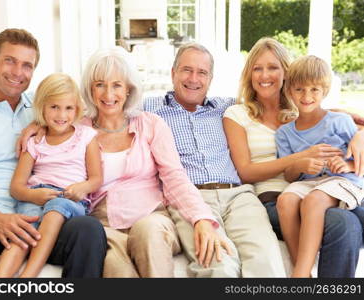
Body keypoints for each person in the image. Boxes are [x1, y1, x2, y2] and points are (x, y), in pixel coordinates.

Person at [0, 28, 107, 278]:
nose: (18, 73)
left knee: (89, 228)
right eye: (10, 61)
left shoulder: (42, 104)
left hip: (40, 222)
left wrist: (37, 122)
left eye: (27, 65)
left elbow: (77, 111)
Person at [80, 47, 230, 277]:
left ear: (129, 88)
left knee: (149, 232)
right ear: (90, 89)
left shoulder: (150, 124)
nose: (108, 94)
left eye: (117, 85)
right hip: (105, 225)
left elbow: (174, 177)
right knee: (118, 270)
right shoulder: (79, 130)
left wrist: (201, 218)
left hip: (152, 216)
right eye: (100, 84)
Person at [223, 37, 364, 277]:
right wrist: (301, 157)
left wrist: (361, 135)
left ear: (287, 75)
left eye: (273, 67)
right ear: (249, 74)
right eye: (257, 68)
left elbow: (340, 121)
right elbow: (245, 171)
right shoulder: (237, 113)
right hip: (274, 197)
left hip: (321, 186)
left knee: (351, 216)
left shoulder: (299, 111)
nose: (265, 75)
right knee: (344, 223)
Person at [144, 42, 286, 277]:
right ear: (173, 73)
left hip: (239, 196)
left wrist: (350, 119)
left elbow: (306, 109)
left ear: (211, 78)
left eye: (202, 72)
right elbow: (100, 111)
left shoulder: (227, 107)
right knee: (220, 264)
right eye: (186, 70)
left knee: (265, 260)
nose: (193, 78)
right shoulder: (149, 109)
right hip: (191, 198)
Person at [0, 73, 103, 277]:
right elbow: (16, 187)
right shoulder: (34, 141)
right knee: (22, 232)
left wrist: (82, 188)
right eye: (54, 107)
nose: (62, 115)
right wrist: (34, 195)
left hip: (67, 198)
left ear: (77, 109)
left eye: (68, 108)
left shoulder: (86, 137)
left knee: (55, 210)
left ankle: (28, 277)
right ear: (42, 107)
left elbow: (96, 179)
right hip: (36, 195)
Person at [275, 55, 364, 277]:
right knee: (285, 200)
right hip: (310, 183)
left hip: (342, 182)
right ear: (289, 90)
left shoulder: (339, 121)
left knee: (313, 201)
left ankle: (299, 275)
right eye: (299, 89)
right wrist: (301, 164)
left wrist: (347, 164)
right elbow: (289, 176)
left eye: (314, 89)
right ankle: (305, 272)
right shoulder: (284, 133)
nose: (306, 96)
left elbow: (360, 161)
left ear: (324, 91)